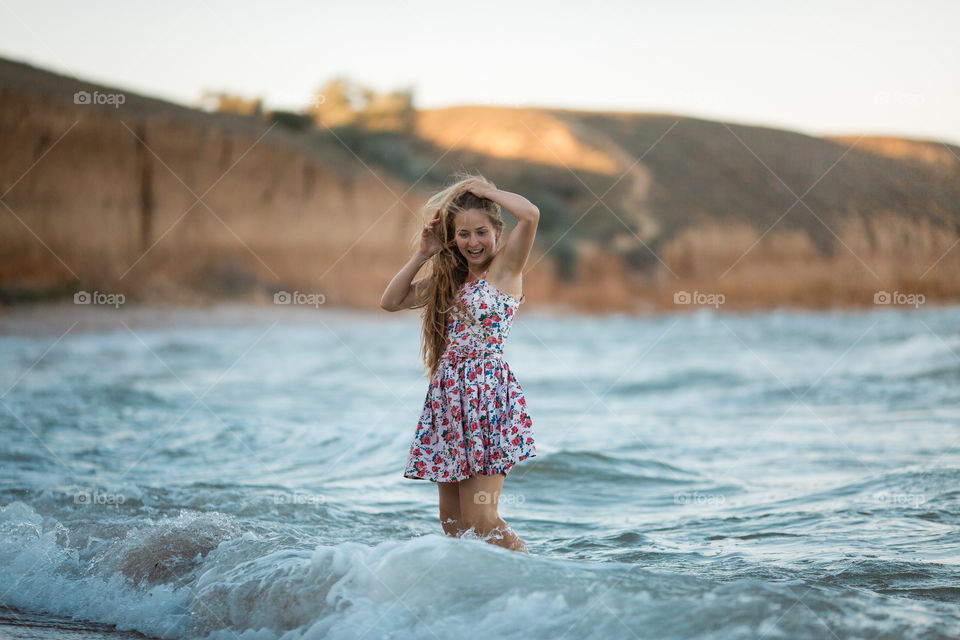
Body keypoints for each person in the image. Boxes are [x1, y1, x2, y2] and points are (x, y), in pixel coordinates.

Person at [380, 171, 539, 554]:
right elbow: (392, 301)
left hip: (486, 397)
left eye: (481, 232)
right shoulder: (448, 281)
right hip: (448, 399)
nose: (473, 242)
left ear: (497, 232)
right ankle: (478, 594)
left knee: (482, 520)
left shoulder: (505, 270)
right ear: (452, 238)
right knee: (454, 522)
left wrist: (486, 190)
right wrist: (423, 253)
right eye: (463, 234)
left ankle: (534, 576)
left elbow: (530, 214)